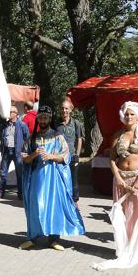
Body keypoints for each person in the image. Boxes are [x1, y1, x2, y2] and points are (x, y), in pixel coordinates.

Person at [92, 101, 138, 270]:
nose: (129, 117)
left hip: (137, 180)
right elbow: (112, 159)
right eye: (126, 114)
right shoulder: (118, 135)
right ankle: (123, 247)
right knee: (122, 216)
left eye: (132, 114)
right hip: (120, 180)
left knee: (136, 214)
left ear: (137, 116)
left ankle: (135, 248)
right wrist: (118, 177)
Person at [19, 105, 85, 251]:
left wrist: (51, 156)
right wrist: (34, 154)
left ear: (50, 119)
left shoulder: (58, 136)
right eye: (41, 117)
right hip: (37, 180)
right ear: (37, 119)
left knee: (54, 207)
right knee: (35, 207)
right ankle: (32, 238)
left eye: (46, 117)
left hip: (54, 180)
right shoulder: (31, 138)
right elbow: (24, 159)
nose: (43, 120)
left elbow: (65, 157)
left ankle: (54, 240)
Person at [0, 105, 29, 199]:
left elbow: (27, 138)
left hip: (17, 152)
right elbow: (2, 137)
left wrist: (25, 150)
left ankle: (21, 194)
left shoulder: (22, 125)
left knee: (19, 173)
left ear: (16, 114)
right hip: (6, 150)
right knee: (3, 173)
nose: (9, 113)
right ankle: (0, 192)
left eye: (11, 112)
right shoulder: (5, 125)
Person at [56, 98, 84, 203]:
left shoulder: (76, 123)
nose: (64, 110)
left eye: (66, 108)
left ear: (70, 110)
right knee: (61, 178)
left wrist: (77, 154)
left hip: (72, 155)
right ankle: (62, 200)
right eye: (62, 108)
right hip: (59, 156)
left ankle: (74, 201)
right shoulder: (56, 123)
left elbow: (79, 139)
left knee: (73, 180)